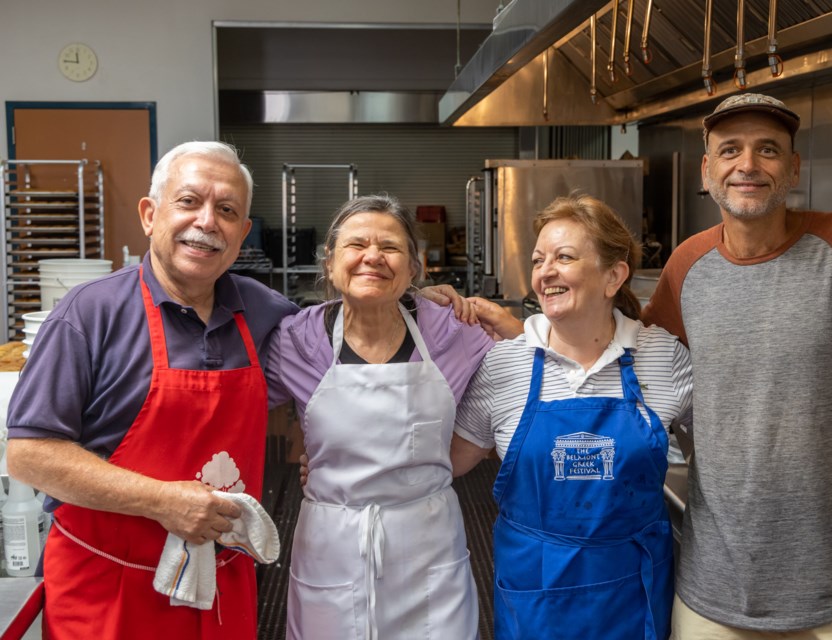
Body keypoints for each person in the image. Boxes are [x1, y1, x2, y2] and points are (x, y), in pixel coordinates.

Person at [3, 142, 469, 640]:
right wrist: (161, 500)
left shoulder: (268, 314)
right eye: (188, 202)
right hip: (112, 584)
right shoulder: (89, 314)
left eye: (227, 210)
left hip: (223, 582)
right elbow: (30, 455)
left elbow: (358, 321)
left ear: (242, 232)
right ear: (149, 214)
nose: (207, 222)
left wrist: (422, 300)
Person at [641, 93, 832, 639]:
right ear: (707, 168)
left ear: (792, 167)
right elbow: (631, 362)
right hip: (716, 588)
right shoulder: (686, 265)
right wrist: (529, 333)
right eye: (730, 150)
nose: (748, 166)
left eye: (768, 150)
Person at [450, 194, 693, 639]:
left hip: (633, 592)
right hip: (535, 593)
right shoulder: (506, 364)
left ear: (614, 276)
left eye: (564, 257)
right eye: (539, 259)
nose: (546, 272)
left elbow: (723, 443)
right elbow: (447, 462)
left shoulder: (662, 357)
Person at [267, 195, 495, 640]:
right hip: (332, 545)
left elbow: (521, 375)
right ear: (330, 264)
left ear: (415, 267)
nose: (372, 256)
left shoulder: (452, 333)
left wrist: (506, 322)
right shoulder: (297, 339)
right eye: (356, 245)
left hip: (428, 551)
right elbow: (231, 399)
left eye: (390, 247)